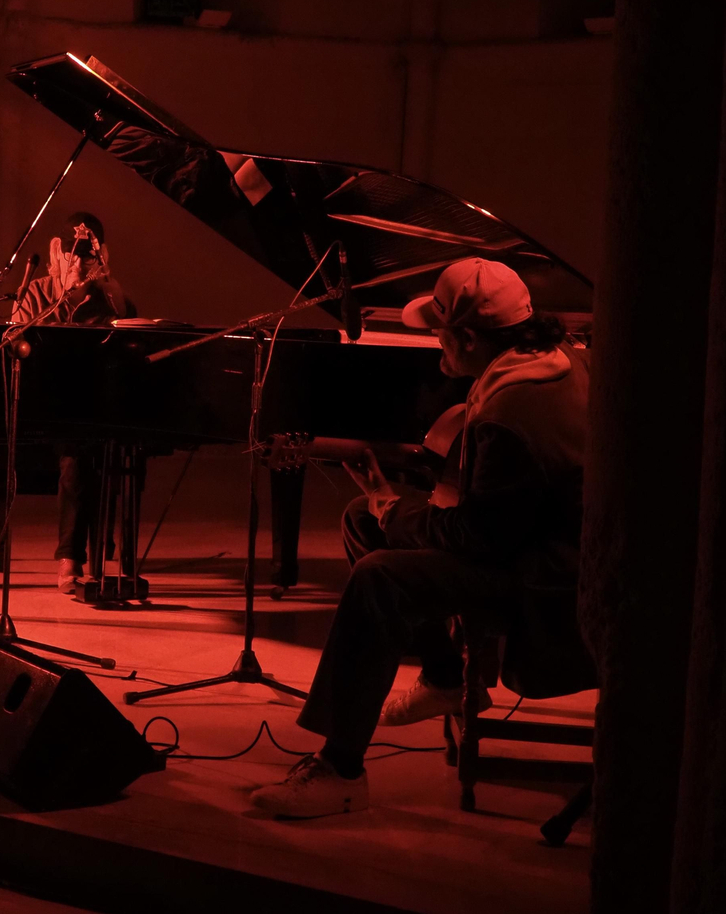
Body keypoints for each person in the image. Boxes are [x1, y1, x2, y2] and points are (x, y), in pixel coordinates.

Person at [249, 258, 588, 818]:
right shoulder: (553, 362)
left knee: (381, 575)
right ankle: (446, 677)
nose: (437, 346)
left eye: (440, 333)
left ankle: (342, 769)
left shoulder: (508, 412)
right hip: (538, 546)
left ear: (471, 338)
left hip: (548, 580)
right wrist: (388, 510)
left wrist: (395, 511)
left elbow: (477, 539)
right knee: (364, 518)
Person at [0, 212, 134, 593]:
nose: (78, 264)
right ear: (56, 256)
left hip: (76, 411)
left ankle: (70, 560)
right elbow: (15, 347)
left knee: (77, 455)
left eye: (87, 256)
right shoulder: (35, 292)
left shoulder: (111, 299)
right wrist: (63, 299)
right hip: (25, 406)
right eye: (71, 255)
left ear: (101, 258)